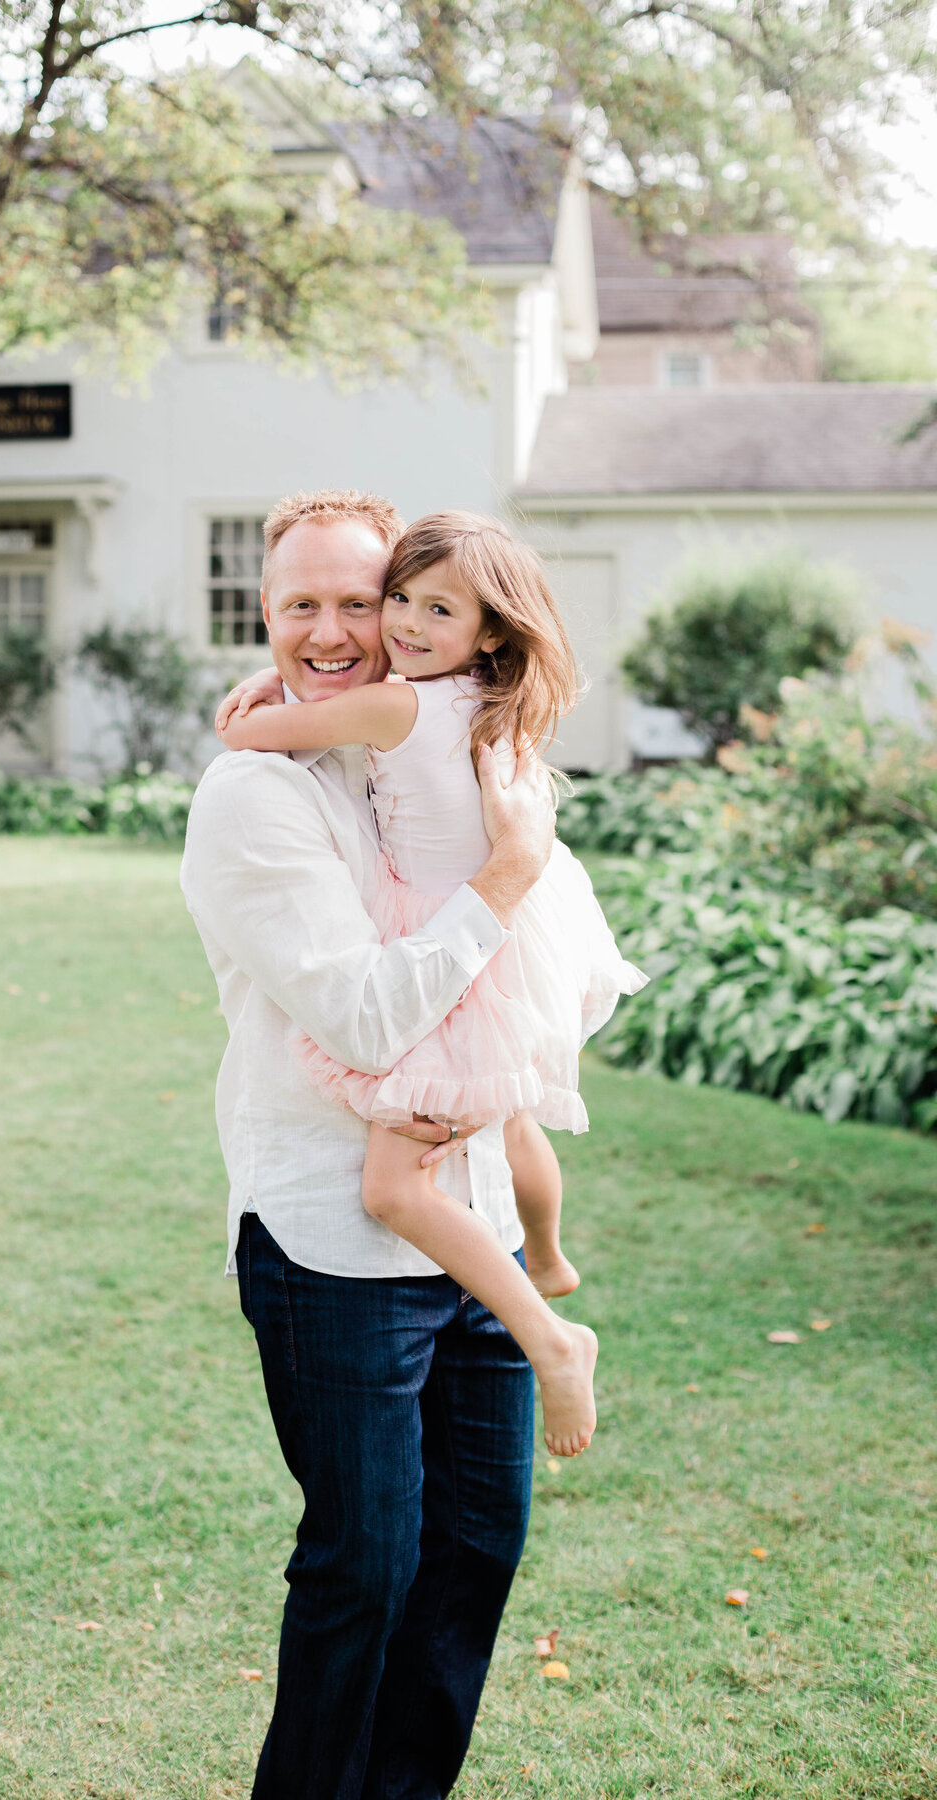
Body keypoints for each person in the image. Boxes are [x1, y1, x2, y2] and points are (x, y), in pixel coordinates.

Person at [180, 489, 557, 1800]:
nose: (340, 630)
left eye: (364, 599)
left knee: (478, 1551)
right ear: (266, 615)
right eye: (306, 606)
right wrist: (506, 880)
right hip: (335, 1238)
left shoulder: (429, 740)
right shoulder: (252, 799)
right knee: (368, 1570)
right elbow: (368, 1015)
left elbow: (544, 952)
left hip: (474, 1226)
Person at [216, 511, 646, 1458]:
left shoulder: (398, 707)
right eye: (397, 601)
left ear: (485, 627)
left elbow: (251, 729)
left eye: (372, 604)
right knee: (514, 1111)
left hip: (461, 938)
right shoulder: (487, 701)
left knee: (396, 1182)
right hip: (509, 947)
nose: (396, 624)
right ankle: (550, 1253)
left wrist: (256, 695)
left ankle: (549, 1330)